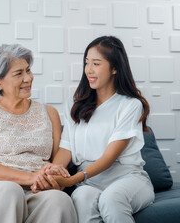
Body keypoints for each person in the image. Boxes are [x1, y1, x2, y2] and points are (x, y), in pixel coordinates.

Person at [33, 36, 155, 223]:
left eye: (96, 63)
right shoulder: (75, 103)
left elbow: (109, 157)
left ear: (115, 68)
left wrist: (72, 180)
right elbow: (67, 147)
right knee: (81, 198)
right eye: (86, 63)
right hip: (89, 182)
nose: (89, 69)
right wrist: (54, 171)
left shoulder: (130, 105)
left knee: (111, 199)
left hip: (128, 179)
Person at [0, 44, 77, 223]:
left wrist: (51, 177)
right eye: (18, 73)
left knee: (59, 200)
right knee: (10, 191)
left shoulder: (49, 113)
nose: (28, 78)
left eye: (28, 70)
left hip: (33, 190)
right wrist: (30, 177)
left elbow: (58, 159)